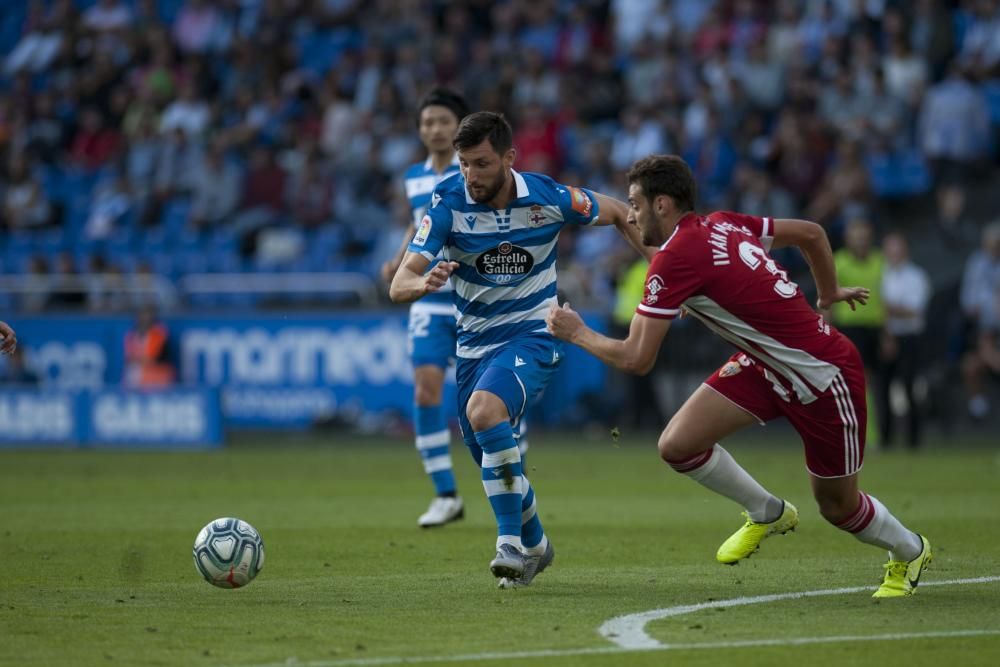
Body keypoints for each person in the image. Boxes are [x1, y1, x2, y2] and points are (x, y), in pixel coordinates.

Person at [546, 155, 931, 599]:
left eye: (636, 203)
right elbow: (812, 233)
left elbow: (636, 358)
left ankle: (910, 549)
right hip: (766, 365)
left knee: (839, 508)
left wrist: (578, 334)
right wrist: (826, 292)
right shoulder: (722, 223)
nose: (631, 214)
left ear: (664, 205)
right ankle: (766, 511)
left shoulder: (676, 260)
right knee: (678, 445)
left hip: (822, 376)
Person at [389, 111, 650, 587]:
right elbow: (399, 282)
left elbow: (616, 212)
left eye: (482, 164)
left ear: (510, 158)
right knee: (494, 460)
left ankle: (508, 542)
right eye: (465, 163)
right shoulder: (447, 202)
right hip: (474, 350)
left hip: (535, 334)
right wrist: (423, 282)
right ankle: (537, 544)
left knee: (486, 412)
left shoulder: (548, 197)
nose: (470, 175)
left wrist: (661, 268)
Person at [381, 88, 470, 528]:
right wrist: (399, 260)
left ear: (459, 126)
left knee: (491, 403)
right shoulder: (414, 176)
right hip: (427, 299)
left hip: (473, 299)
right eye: (427, 122)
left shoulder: (476, 170)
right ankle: (445, 493)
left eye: (442, 121)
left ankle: (513, 483)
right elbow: (421, 226)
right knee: (425, 390)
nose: (434, 129)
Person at [879, 232, 931, 448]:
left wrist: (886, 309)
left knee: (910, 387)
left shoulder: (917, 276)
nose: (894, 254)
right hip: (886, 335)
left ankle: (914, 440)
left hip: (910, 338)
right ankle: (886, 439)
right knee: (883, 389)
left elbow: (914, 311)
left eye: (897, 249)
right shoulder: (880, 273)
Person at [123, 306, 175, 387]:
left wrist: (139, 360)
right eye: (141, 315)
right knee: (131, 372)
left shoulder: (159, 334)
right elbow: (129, 358)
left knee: (138, 373)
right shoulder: (131, 335)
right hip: (138, 371)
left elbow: (153, 358)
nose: (144, 318)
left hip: (157, 371)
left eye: (147, 315)